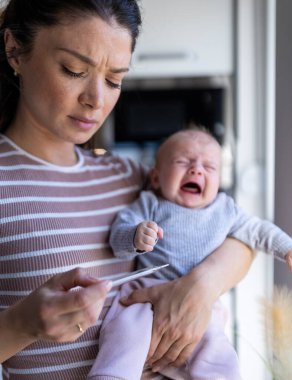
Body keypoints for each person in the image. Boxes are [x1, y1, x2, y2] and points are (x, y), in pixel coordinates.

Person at [0, 1, 255, 379]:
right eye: (74, 70)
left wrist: (199, 289)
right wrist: (23, 325)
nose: (97, 100)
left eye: (114, 79)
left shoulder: (130, 177)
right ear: (14, 51)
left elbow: (240, 236)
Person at [88, 128, 292, 380]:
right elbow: (118, 235)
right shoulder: (151, 203)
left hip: (202, 306)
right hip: (146, 291)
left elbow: (258, 230)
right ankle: (112, 375)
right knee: (125, 331)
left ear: (219, 180)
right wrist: (134, 236)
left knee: (216, 351)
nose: (196, 170)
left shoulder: (226, 210)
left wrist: (288, 248)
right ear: (156, 177)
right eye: (183, 162)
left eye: (209, 167)